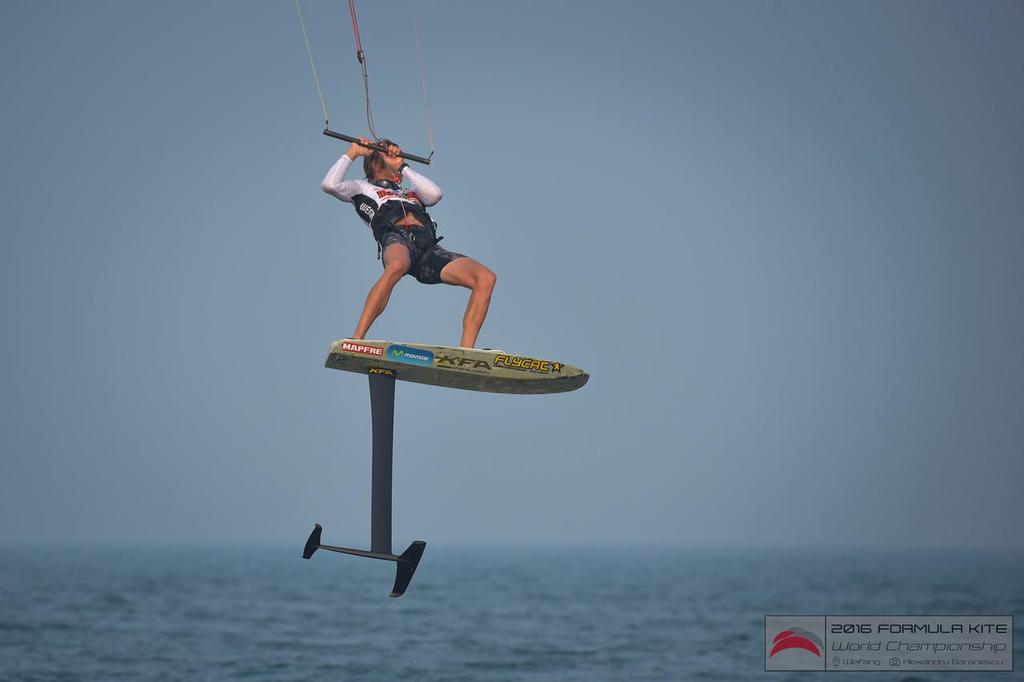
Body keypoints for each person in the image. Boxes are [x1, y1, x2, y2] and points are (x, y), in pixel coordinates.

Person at [321, 137, 497, 348]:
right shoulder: (363, 188)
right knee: (397, 265)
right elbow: (330, 184)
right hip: (396, 239)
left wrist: (402, 166)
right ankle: (357, 339)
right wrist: (353, 153)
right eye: (389, 155)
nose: (396, 157)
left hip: (428, 250)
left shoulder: (412, 193)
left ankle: (466, 351)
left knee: (486, 278)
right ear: (376, 163)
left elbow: (435, 194)